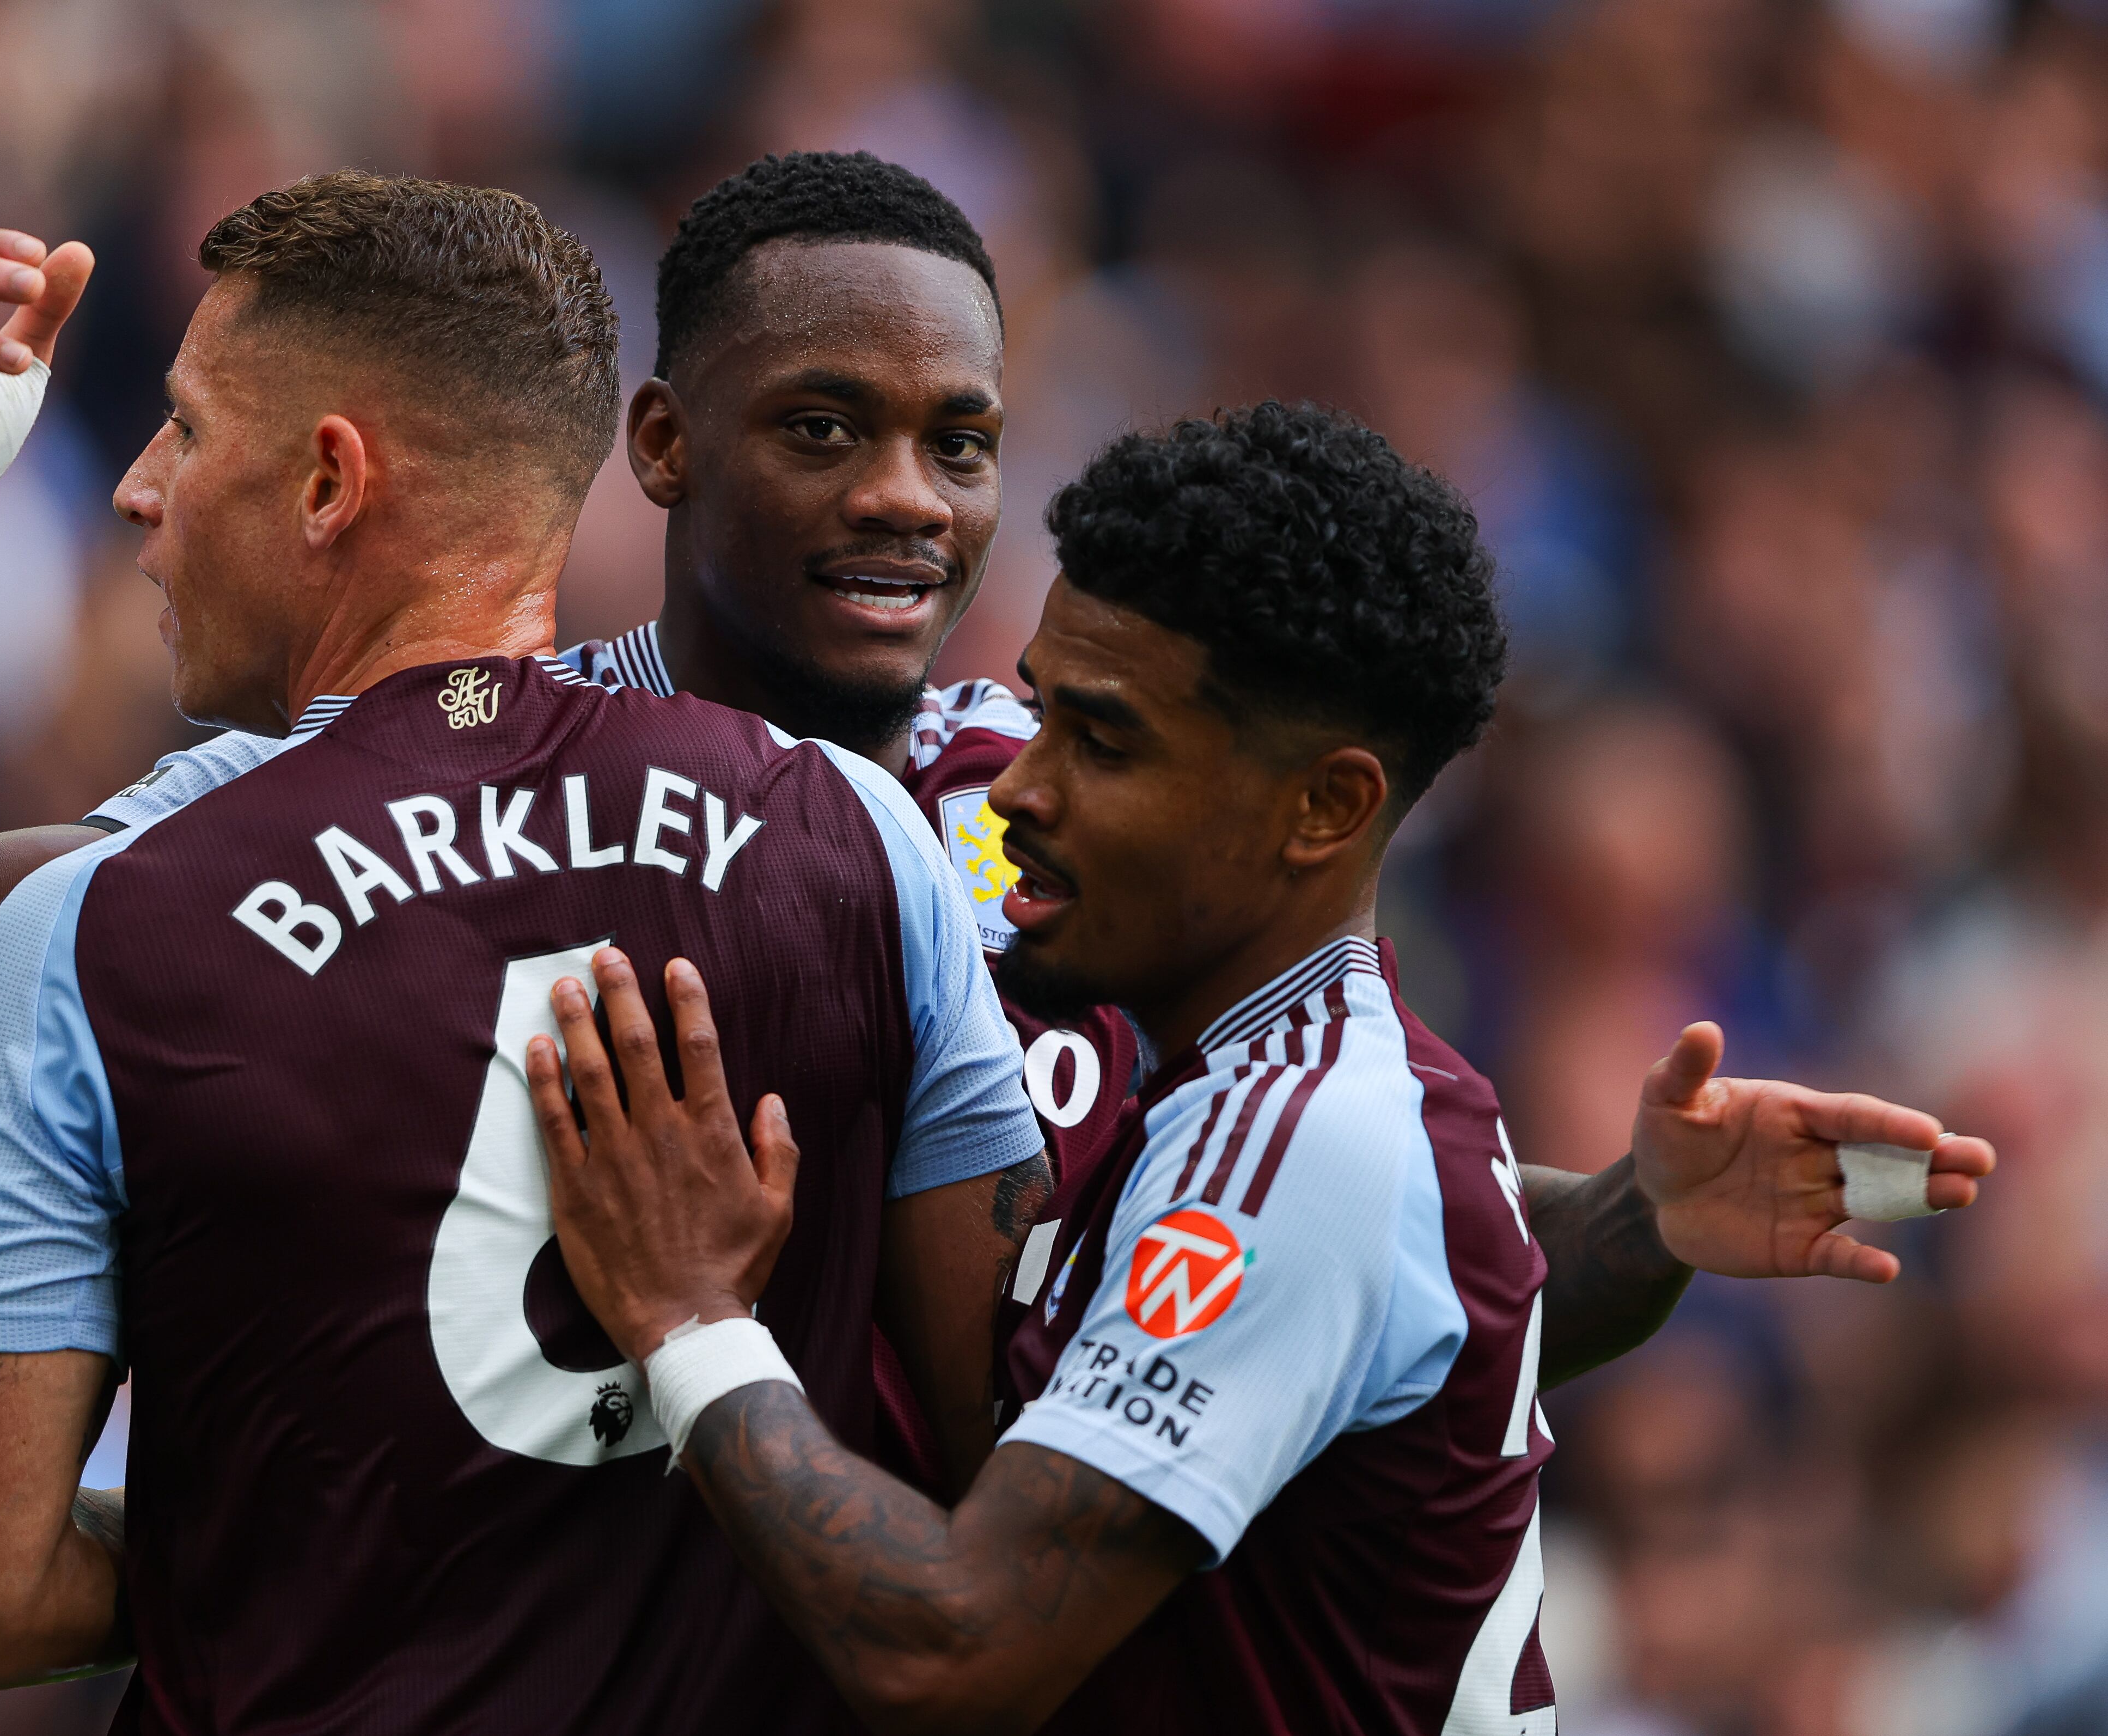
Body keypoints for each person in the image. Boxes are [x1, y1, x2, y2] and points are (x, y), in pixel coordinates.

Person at [0, 153, 1835, 1428]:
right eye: (825, 427)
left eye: (959, 441)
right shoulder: (462, 778)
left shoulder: (1081, 825)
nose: (905, 498)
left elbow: (1337, 1275)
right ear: (660, 445)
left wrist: (1637, 1217)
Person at [524, 405, 2000, 1736]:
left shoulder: (1302, 1143)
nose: (1021, 786)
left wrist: (691, 1320)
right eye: (1040, 707)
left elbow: (956, 1649)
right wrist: (1640, 1215)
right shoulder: (1312, 1089)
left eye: (1103, 742)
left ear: (1323, 809)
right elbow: (1415, 1336)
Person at [0, 172, 1049, 1732]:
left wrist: (345, 1516)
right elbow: (993, 1461)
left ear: (329, 482)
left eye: (190, 431)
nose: (142, 487)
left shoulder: (108, 917)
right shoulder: (863, 840)